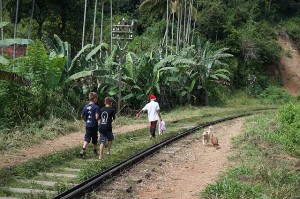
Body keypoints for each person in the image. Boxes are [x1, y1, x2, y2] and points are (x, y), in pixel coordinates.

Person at [80, 92, 100, 159]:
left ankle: (83, 149)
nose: (97, 99)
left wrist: (86, 120)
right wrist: (99, 118)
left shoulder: (86, 106)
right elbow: (97, 117)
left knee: (87, 138)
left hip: (88, 125)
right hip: (94, 125)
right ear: (94, 99)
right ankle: (95, 151)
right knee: (95, 138)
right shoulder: (96, 107)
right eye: (96, 98)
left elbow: (82, 116)